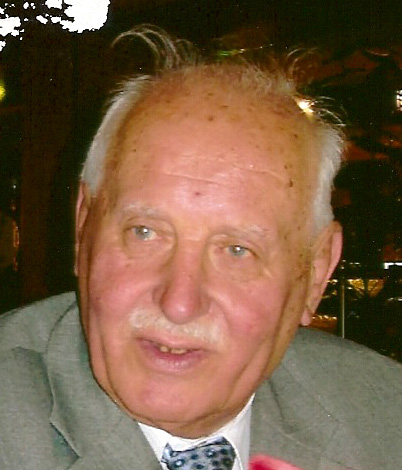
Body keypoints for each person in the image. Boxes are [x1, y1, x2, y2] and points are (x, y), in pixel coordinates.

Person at [0, 26, 401, 470]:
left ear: (317, 272)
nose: (180, 303)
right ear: (83, 228)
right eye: (144, 232)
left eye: (237, 251)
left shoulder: (387, 419)